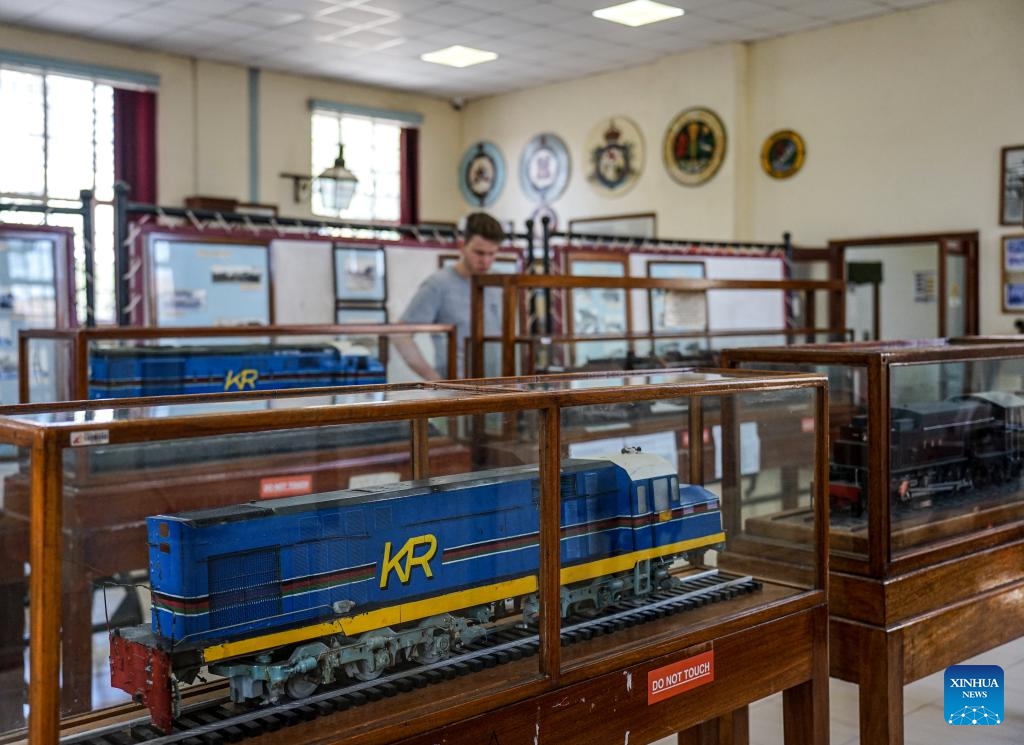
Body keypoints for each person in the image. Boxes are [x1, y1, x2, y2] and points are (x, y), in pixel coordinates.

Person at [394, 212, 506, 379]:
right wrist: (435, 380)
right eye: (479, 253)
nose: (486, 261)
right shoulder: (438, 284)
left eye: (492, 254)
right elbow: (400, 335)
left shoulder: (498, 283)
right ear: (462, 246)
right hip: (456, 392)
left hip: (497, 388)